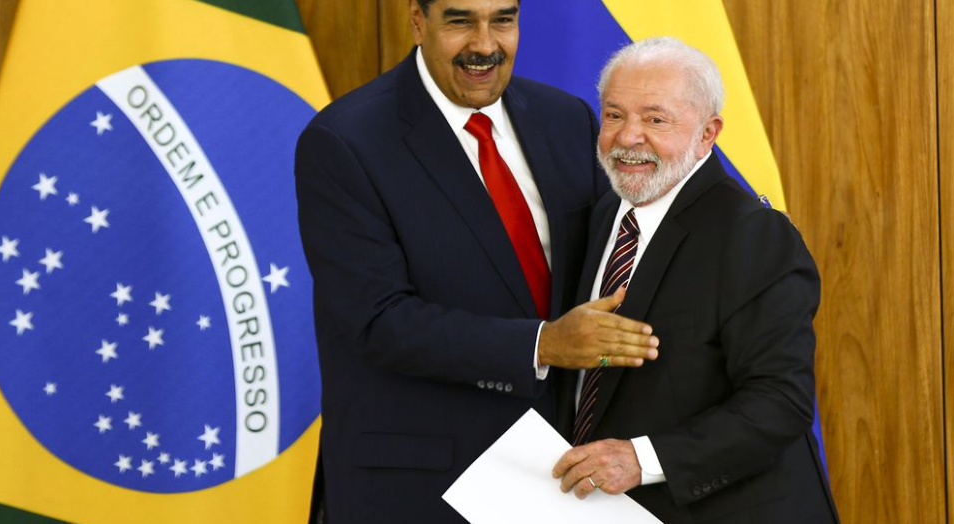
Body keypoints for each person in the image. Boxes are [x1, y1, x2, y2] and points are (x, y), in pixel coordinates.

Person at [294, 1, 660, 522]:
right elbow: (376, 320)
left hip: (565, 475)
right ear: (418, 21)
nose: (485, 45)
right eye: (460, 21)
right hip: (421, 485)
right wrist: (544, 344)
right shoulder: (345, 141)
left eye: (502, 20)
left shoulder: (566, 119)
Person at [551, 37, 840, 523]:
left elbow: (779, 403)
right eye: (614, 115)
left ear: (708, 133)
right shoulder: (603, 213)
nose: (628, 137)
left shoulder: (754, 234)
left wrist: (643, 459)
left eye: (655, 120)